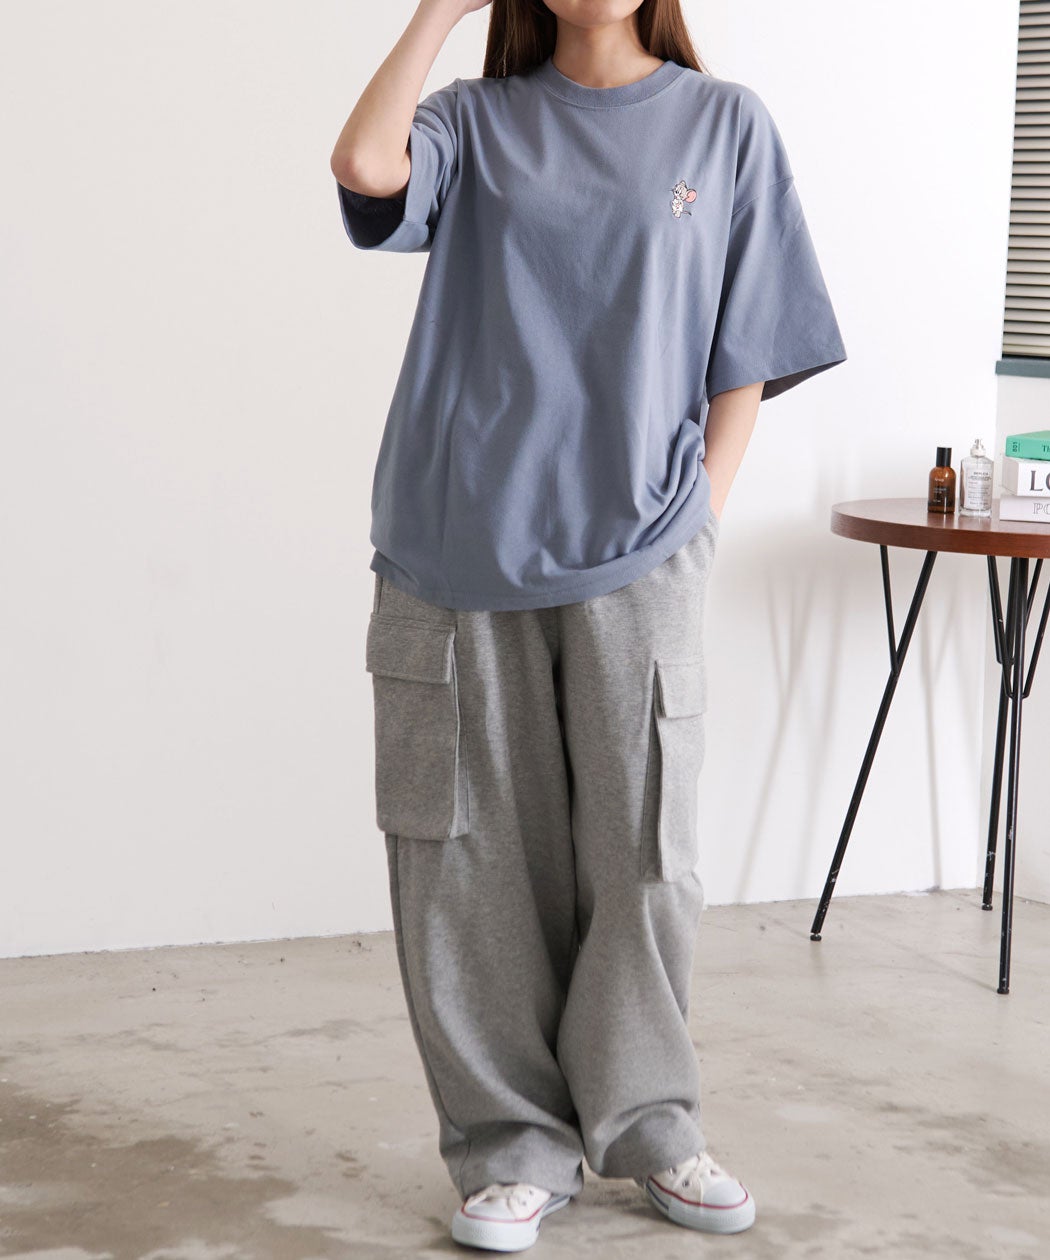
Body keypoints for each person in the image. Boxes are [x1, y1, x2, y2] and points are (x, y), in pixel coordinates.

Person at [331, 0, 846, 1250]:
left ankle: (654, 1127)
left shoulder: (724, 126)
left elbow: (747, 346)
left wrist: (701, 512)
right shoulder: (473, 122)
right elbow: (365, 167)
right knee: (464, 862)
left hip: (642, 552)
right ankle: (509, 1147)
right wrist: (439, 11)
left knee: (646, 851)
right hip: (457, 544)